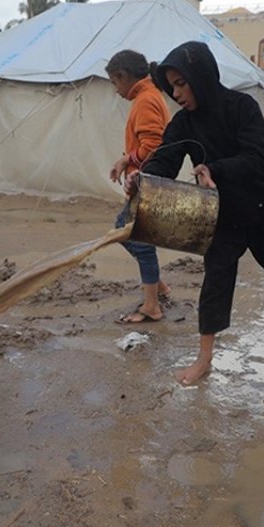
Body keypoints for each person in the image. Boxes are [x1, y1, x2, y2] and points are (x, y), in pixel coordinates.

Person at [130, 41, 264, 386]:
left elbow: (255, 157)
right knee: (216, 281)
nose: (175, 93)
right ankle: (204, 360)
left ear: (201, 77)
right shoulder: (184, 124)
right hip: (223, 213)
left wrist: (213, 169)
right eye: (171, 86)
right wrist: (142, 179)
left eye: (181, 83)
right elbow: (165, 158)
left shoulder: (241, 107)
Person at [106, 50, 172, 324]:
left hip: (147, 184)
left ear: (123, 76)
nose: (116, 90)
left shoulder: (145, 101)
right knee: (124, 230)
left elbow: (153, 146)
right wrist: (126, 160)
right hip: (145, 182)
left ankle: (152, 306)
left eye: (114, 83)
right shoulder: (149, 96)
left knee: (137, 240)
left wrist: (127, 159)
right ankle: (158, 287)